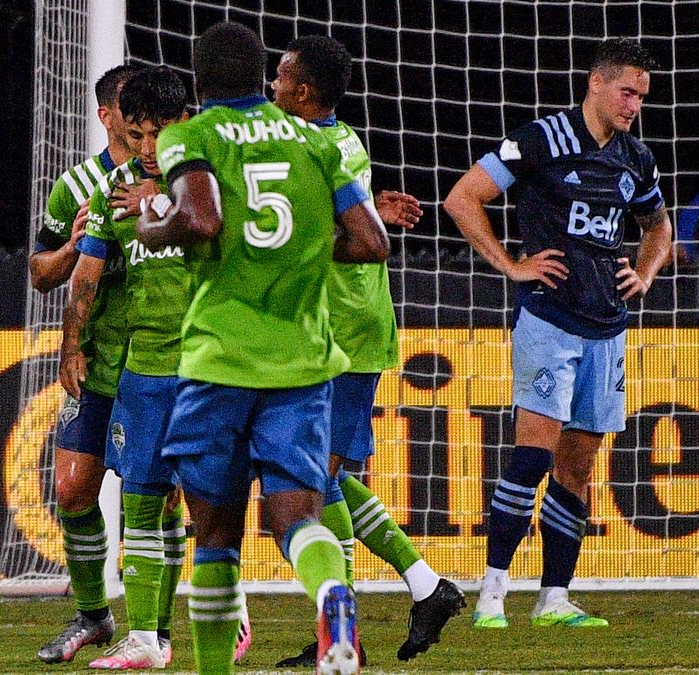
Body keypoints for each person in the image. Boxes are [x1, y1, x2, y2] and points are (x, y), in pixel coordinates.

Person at [136, 21, 390, 675]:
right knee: (297, 517)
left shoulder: (187, 136)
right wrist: (310, 247)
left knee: (216, 536)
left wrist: (150, 222)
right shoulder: (316, 138)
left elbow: (201, 219)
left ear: (198, 82)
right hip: (304, 362)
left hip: (220, 359)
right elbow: (372, 242)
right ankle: (333, 594)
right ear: (262, 79)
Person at [443, 38, 672, 628]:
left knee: (578, 469)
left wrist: (644, 274)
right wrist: (511, 265)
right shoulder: (539, 140)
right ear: (596, 82)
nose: (634, 105)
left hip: (608, 330)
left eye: (642, 96)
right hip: (549, 322)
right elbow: (463, 198)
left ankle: (554, 597)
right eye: (628, 91)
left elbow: (659, 227)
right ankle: (492, 591)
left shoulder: (635, 159)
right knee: (532, 456)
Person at [268, 35, 465, 667]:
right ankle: (425, 588)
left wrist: (275, 241)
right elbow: (342, 215)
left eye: (280, 77)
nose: (272, 86)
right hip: (324, 327)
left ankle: (341, 625)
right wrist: (370, 207)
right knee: (321, 474)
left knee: (317, 478)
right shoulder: (325, 143)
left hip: (346, 331)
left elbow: (338, 237)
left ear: (303, 91)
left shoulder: (329, 143)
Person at [59, 65, 190, 670]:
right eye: (135, 134)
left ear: (184, 122)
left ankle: (221, 613)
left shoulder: (210, 183)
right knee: (141, 497)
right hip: (143, 367)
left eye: (157, 132)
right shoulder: (111, 189)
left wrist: (161, 202)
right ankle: (145, 637)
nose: (146, 148)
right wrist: (71, 344)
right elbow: (84, 277)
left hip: (211, 364)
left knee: (216, 506)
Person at [30, 64, 140, 665]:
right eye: (131, 107)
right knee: (73, 491)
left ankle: (165, 626)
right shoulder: (75, 186)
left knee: (158, 497)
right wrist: (73, 246)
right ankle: (95, 616)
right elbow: (41, 273)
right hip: (97, 360)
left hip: (156, 358)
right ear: (106, 115)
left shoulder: (175, 180)